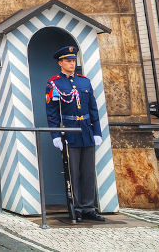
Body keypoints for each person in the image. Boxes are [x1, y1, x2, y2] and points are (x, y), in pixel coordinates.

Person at [47, 45, 105, 222]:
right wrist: (55, 135)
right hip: (69, 132)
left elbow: (93, 109)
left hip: (86, 130)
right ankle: (77, 207)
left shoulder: (84, 81)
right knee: (74, 171)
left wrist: (97, 131)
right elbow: (52, 112)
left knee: (88, 171)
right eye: (68, 61)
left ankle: (89, 207)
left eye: (73, 61)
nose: (72, 64)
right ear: (60, 63)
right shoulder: (54, 83)